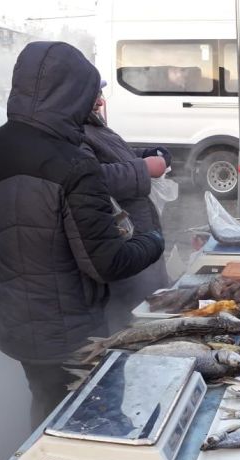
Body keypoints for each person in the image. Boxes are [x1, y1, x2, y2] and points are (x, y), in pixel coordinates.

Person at [0, 42, 165, 427]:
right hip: (72, 332)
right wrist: (153, 240)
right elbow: (108, 262)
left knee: (45, 402)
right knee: (94, 417)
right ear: (74, 94)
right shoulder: (72, 164)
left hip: (13, 323)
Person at [82, 81, 171, 330]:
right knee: (131, 316)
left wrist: (146, 154)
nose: (100, 101)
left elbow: (117, 155)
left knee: (154, 299)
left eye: (100, 93)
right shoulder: (73, 133)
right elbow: (89, 178)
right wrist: (143, 168)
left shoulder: (95, 125)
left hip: (141, 234)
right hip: (121, 240)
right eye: (94, 94)